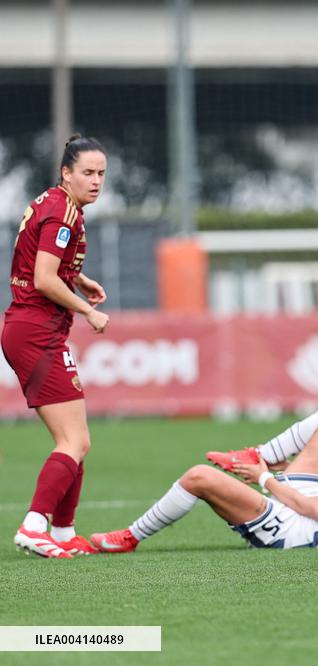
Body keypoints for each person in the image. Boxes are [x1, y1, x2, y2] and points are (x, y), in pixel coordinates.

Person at [89, 405, 318, 553]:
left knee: (198, 478)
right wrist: (270, 469)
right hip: (310, 500)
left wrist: (264, 478)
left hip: (286, 528)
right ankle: (259, 453)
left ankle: (129, 537)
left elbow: (303, 506)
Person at [3, 135, 110, 559]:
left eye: (102, 173)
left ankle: (64, 532)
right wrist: (88, 310)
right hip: (35, 331)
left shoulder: (54, 202)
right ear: (66, 173)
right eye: (87, 172)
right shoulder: (65, 212)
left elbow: (43, 264)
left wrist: (78, 277)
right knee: (74, 440)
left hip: (34, 329)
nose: (96, 181)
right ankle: (34, 525)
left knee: (77, 438)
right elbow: (44, 279)